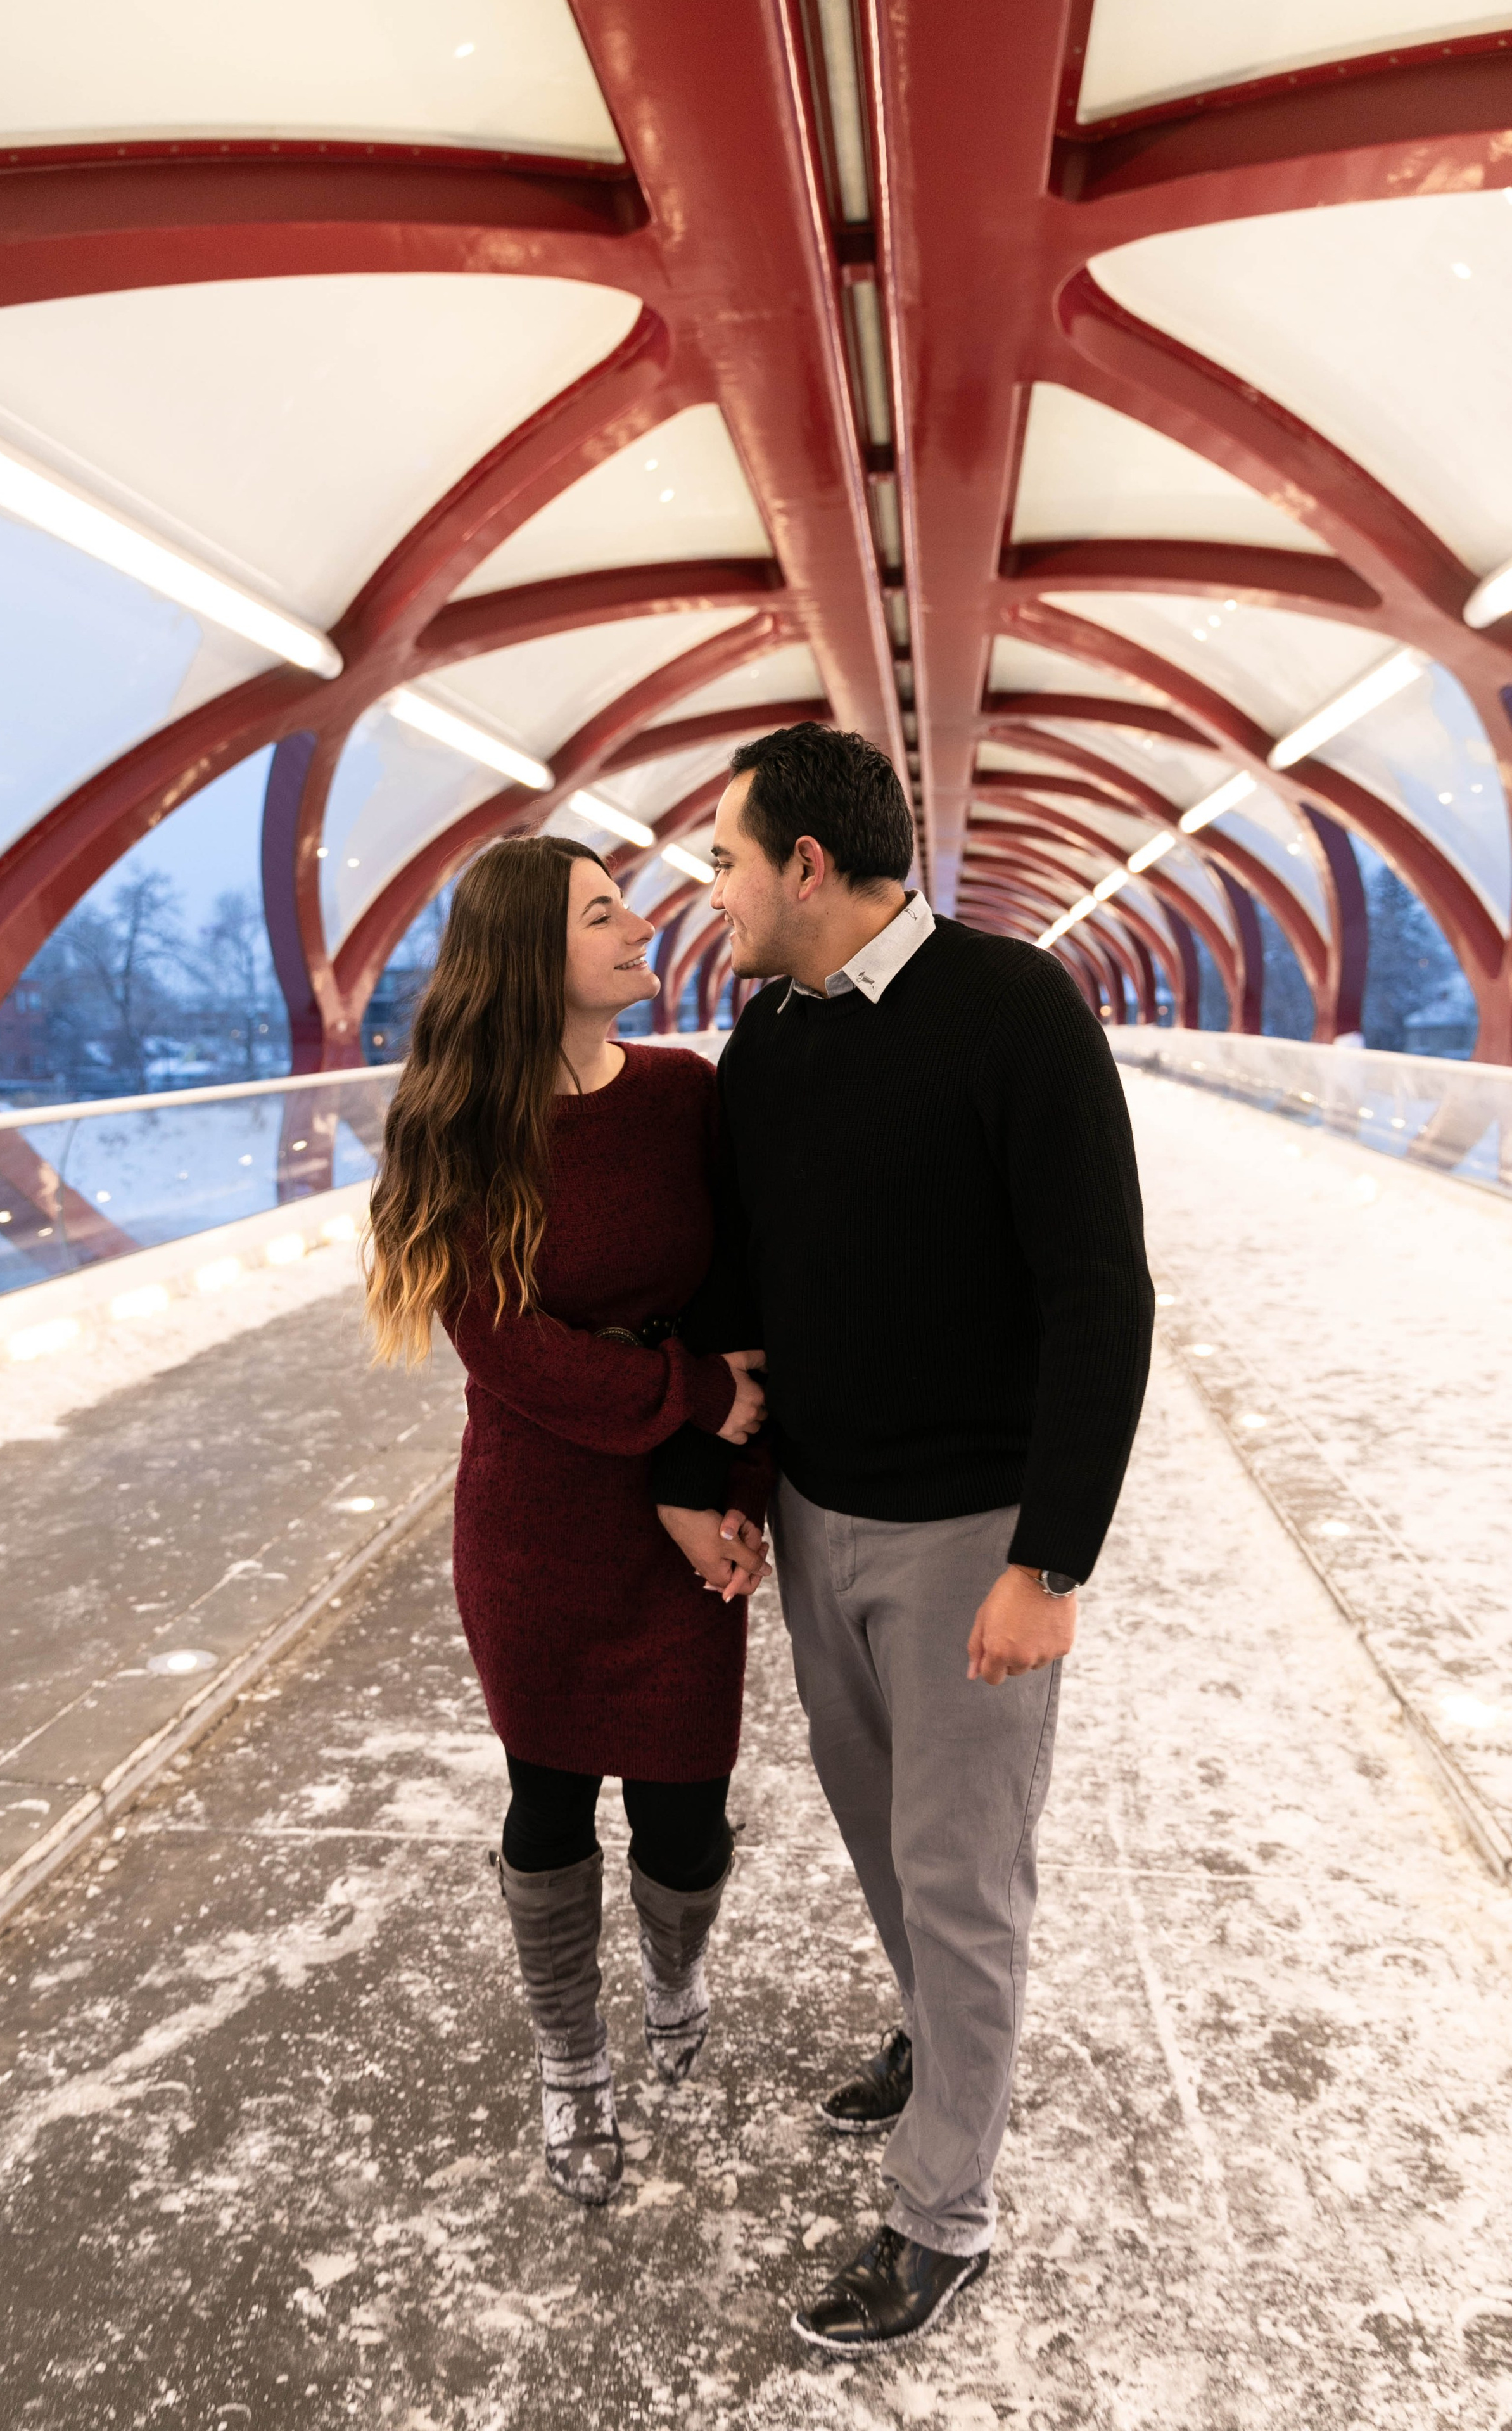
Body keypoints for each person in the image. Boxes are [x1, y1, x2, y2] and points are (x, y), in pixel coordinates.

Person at [653, 725, 1153, 2350]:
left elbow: (1099, 1296)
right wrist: (722, 1481)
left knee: (962, 1872)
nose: (709, 892)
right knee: (882, 1837)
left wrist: (1049, 1561)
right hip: (819, 1517)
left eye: (725, 861)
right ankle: (942, 2048)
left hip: (970, 1535)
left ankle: (943, 2214)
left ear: (807, 865)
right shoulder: (765, 1039)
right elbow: (743, 1286)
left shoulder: (1014, 1011)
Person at [365, 835, 771, 2209]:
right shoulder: (455, 1132)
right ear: (530, 960)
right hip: (534, 1524)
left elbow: (742, 1306)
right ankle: (568, 2055)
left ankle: (674, 1968)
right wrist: (696, 1396)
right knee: (547, 1799)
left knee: (687, 1814)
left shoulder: (684, 1094)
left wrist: (725, 1490)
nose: (640, 926)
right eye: (603, 914)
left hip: (684, 1515)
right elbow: (511, 1354)